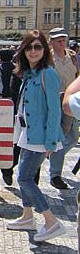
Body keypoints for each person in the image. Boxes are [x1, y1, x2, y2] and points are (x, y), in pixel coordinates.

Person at [6, 30, 65, 242]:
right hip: (28, 134)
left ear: (44, 50)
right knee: (25, 174)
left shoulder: (47, 73)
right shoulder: (30, 73)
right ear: (24, 50)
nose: (33, 51)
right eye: (29, 47)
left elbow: (54, 109)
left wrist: (50, 141)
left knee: (24, 177)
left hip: (40, 137)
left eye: (38, 47)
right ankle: (27, 216)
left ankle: (51, 221)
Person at [47, 27, 79, 190]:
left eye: (63, 40)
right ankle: (55, 175)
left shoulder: (72, 57)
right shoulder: (48, 59)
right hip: (54, 103)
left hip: (70, 101)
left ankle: (54, 155)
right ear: (51, 42)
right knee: (59, 137)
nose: (62, 43)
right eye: (58, 40)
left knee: (73, 137)